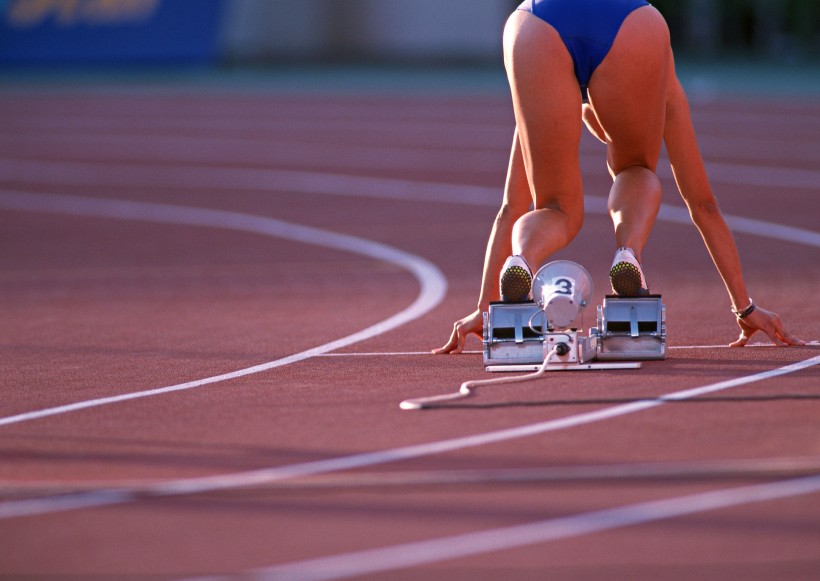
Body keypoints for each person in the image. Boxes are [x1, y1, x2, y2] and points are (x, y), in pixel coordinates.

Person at [435, 0, 804, 354]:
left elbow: (512, 204)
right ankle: (628, 253)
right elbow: (702, 203)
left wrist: (486, 307)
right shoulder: (663, 85)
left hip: (535, 21)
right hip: (630, 22)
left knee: (555, 208)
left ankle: (522, 259)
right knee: (636, 169)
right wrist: (744, 307)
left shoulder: (557, 89)